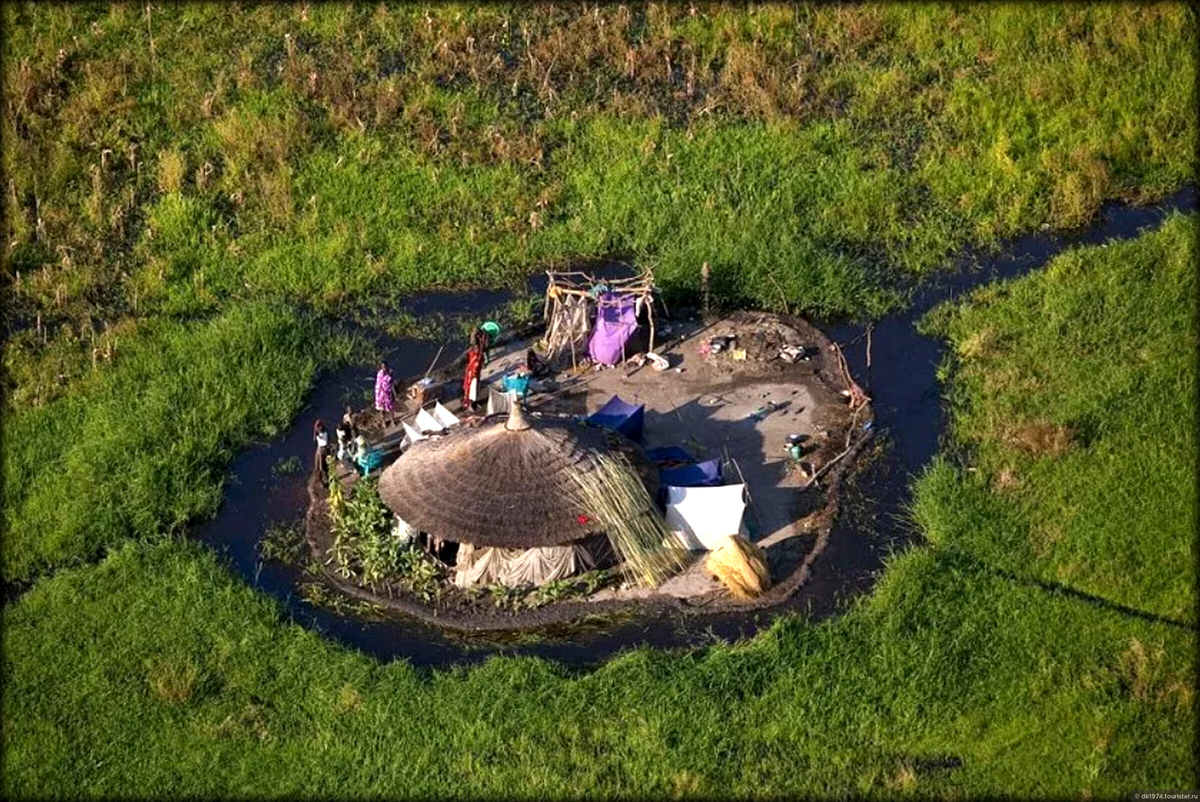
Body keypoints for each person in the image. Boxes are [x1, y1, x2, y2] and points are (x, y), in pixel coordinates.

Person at [462, 330, 486, 411]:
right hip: (473, 372)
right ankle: (471, 404)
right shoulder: (477, 350)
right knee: (473, 388)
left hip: (471, 370)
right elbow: (477, 361)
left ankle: (470, 402)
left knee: (470, 388)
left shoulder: (473, 349)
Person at [375, 361, 396, 427]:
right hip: (380, 394)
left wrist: (394, 392)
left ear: (387, 366)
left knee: (390, 407)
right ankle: (384, 421)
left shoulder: (390, 372)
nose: (384, 368)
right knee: (382, 409)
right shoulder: (379, 374)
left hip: (388, 393)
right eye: (383, 367)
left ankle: (393, 421)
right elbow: (378, 383)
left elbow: (391, 383)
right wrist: (378, 394)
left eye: (385, 366)